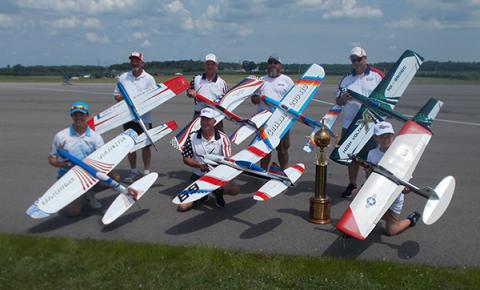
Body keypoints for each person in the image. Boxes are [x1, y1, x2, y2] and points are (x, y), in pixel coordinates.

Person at [356, 121, 421, 236]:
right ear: (375, 138)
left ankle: (411, 219)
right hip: (376, 193)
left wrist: (405, 189)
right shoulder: (372, 153)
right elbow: (369, 178)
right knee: (354, 194)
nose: (386, 139)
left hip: (393, 198)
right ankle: (366, 219)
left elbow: (406, 182)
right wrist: (368, 173)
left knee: (391, 231)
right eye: (382, 137)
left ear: (393, 136)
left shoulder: (402, 154)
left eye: (389, 136)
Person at [336, 46, 384, 198]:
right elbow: (338, 101)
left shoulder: (377, 76)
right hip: (349, 125)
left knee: (370, 157)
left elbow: (385, 99)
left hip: (369, 124)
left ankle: (369, 186)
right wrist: (341, 100)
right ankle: (352, 184)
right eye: (353, 60)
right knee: (352, 156)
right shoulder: (346, 79)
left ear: (365, 58)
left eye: (359, 59)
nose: (356, 62)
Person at [48, 101, 105, 217]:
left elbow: (103, 157)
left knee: (114, 177)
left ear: (87, 116)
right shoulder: (61, 136)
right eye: (75, 115)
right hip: (68, 175)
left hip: (89, 174)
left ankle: (89, 193)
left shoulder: (95, 137)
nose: (79, 117)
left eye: (82, 114)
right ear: (72, 116)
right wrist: (60, 164)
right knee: (73, 212)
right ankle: (67, 199)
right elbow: (51, 158)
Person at [178, 107, 233, 212]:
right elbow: (186, 159)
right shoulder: (191, 137)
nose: (205, 122)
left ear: (214, 121)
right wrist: (199, 166)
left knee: (234, 189)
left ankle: (218, 192)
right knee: (182, 207)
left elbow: (227, 161)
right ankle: (204, 195)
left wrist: (217, 175)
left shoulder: (223, 138)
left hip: (217, 175)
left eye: (208, 119)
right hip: (198, 175)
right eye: (203, 119)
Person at [114, 51, 156, 182]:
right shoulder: (123, 78)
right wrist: (126, 99)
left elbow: (154, 97)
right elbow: (116, 95)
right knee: (129, 146)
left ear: (142, 62)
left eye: (137, 60)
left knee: (145, 145)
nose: (134, 62)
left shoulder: (149, 79)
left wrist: (141, 103)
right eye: (132, 60)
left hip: (145, 118)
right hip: (128, 118)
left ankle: (146, 172)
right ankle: (133, 171)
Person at [251, 55, 294, 170]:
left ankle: (284, 172)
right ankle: (263, 173)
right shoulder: (260, 80)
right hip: (263, 121)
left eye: (275, 62)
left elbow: (293, 100)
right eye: (270, 62)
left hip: (281, 120)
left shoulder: (287, 81)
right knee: (264, 149)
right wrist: (258, 99)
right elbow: (253, 100)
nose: (272, 65)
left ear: (280, 65)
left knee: (283, 149)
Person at [186, 53, 228, 132]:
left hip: (215, 118)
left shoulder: (222, 83)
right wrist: (190, 92)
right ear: (204, 65)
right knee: (193, 138)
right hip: (199, 115)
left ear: (216, 66)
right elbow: (189, 92)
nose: (210, 66)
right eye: (207, 64)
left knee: (218, 140)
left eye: (212, 64)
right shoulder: (196, 79)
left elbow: (225, 102)